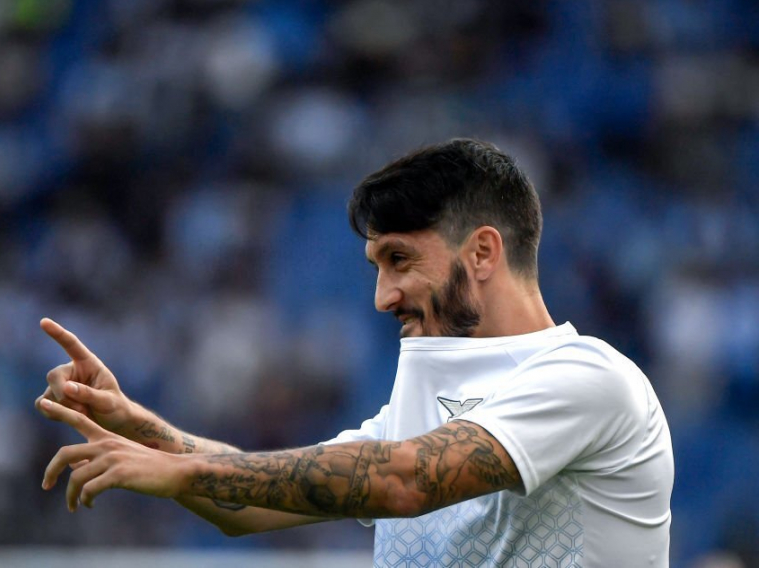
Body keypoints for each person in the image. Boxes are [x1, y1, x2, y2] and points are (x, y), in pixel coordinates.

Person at [35, 138, 674, 567]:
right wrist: (137, 426)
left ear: (482, 252)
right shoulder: (420, 416)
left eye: (400, 260)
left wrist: (183, 473)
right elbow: (248, 501)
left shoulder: (590, 378)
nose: (382, 297)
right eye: (376, 267)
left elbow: (404, 480)